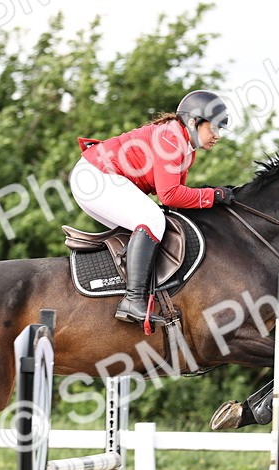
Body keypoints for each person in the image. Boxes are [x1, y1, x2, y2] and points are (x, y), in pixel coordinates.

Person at [70, 89, 235, 328]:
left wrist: (209, 200)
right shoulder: (171, 139)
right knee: (153, 221)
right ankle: (133, 299)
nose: (217, 136)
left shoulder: (186, 149)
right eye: (214, 128)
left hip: (95, 177)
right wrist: (214, 195)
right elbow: (170, 195)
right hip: (95, 177)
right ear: (193, 122)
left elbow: (173, 199)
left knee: (152, 227)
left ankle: (127, 292)